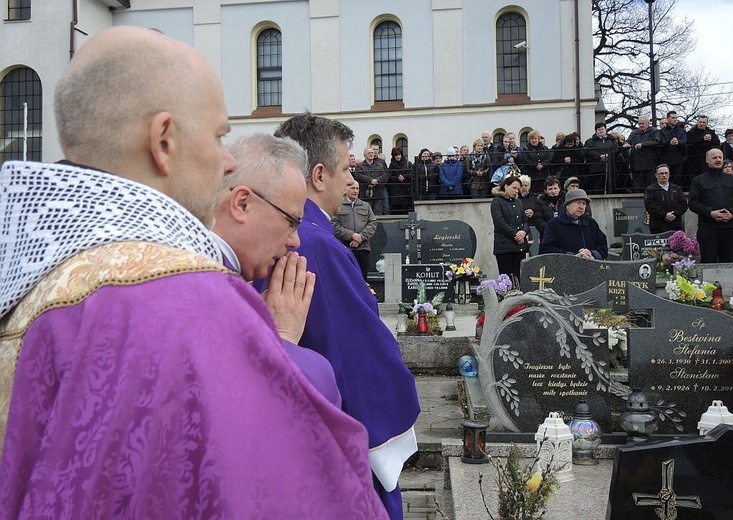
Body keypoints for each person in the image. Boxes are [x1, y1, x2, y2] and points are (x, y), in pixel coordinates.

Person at [0, 27, 387, 519]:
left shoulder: (28, 274)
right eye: (220, 135)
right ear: (164, 141)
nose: (228, 161)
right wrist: (279, 351)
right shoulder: (190, 300)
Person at [274, 112, 421, 519]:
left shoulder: (283, 233)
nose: (350, 181)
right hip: (338, 445)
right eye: (345, 168)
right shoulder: (318, 245)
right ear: (319, 175)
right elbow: (356, 357)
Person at [211, 134, 343, 408]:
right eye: (291, 221)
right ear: (242, 203)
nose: (295, 241)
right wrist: (282, 340)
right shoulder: (199, 283)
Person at [688, 148, 733, 263]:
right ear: (707, 160)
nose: (718, 160)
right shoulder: (698, 181)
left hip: (729, 229)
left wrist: (732, 214)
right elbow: (693, 203)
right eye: (714, 158)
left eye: (720, 157)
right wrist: (710, 213)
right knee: (709, 263)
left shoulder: (731, 179)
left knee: (729, 262)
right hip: (708, 229)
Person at [539, 189, 608, 260]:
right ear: (567, 205)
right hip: (563, 268)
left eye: (584, 203)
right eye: (578, 203)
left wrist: (592, 254)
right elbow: (547, 249)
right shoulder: (553, 224)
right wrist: (572, 257)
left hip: (590, 266)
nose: (581, 207)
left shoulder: (591, 223)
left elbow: (603, 247)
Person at [332, 183, 378, 280]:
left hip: (363, 249)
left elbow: (372, 223)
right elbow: (333, 225)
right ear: (345, 189)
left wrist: (360, 237)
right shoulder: (337, 205)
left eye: (357, 188)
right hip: (344, 248)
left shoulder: (366, 206)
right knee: (346, 279)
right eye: (352, 188)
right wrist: (351, 235)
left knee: (362, 280)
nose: (355, 191)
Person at [491, 176, 530, 282]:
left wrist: (524, 232)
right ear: (506, 186)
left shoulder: (519, 203)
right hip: (504, 247)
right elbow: (500, 222)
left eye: (518, 189)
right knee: (506, 279)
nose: (516, 191)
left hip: (519, 247)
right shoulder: (497, 201)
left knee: (518, 278)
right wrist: (515, 235)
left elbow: (525, 220)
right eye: (514, 188)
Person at [643, 164, 688, 234]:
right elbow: (650, 206)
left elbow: (683, 204)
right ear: (656, 175)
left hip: (675, 226)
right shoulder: (650, 190)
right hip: (657, 227)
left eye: (666, 173)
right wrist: (665, 215)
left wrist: (674, 214)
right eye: (661, 173)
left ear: (669, 174)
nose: (664, 175)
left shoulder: (677, 188)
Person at [623, 115, 660, 192]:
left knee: (650, 185)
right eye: (639, 124)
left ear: (648, 123)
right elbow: (628, 141)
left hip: (650, 162)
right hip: (636, 163)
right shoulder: (634, 133)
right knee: (638, 185)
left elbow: (656, 141)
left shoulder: (654, 131)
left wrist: (642, 144)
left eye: (643, 123)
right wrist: (626, 144)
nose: (641, 125)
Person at [583, 122, 618, 194]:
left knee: (610, 186)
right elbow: (588, 151)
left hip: (610, 167)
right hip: (596, 168)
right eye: (599, 130)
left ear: (606, 130)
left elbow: (616, 149)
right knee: (597, 186)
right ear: (596, 131)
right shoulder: (591, 141)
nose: (601, 131)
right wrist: (599, 156)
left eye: (602, 129)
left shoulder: (612, 140)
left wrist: (608, 155)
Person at [354, 147, 389, 215]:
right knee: (366, 214)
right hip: (365, 194)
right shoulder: (360, 166)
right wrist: (370, 180)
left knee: (378, 214)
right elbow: (358, 175)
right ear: (365, 155)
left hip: (378, 193)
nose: (371, 154)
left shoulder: (379, 165)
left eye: (372, 153)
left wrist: (377, 180)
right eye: (369, 153)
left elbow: (384, 175)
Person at [686, 115, 720, 184]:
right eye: (700, 122)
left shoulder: (711, 132)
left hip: (706, 158)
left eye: (704, 122)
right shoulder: (691, 132)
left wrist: (711, 139)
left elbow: (717, 142)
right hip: (694, 159)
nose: (701, 124)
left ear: (707, 123)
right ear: (697, 122)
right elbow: (689, 143)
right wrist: (701, 139)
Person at [658, 111, 687, 186]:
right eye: (673, 118)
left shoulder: (682, 131)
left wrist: (678, 142)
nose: (675, 119)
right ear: (667, 119)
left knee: (677, 181)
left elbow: (685, 141)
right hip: (665, 159)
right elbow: (660, 141)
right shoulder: (661, 132)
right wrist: (669, 142)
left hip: (678, 159)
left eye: (676, 118)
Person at [388, 146, 413, 213]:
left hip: (406, 191)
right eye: (395, 155)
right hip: (395, 193)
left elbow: (412, 174)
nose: (397, 156)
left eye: (399, 154)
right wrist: (397, 178)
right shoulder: (391, 165)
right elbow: (389, 177)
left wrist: (404, 177)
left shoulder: (408, 164)